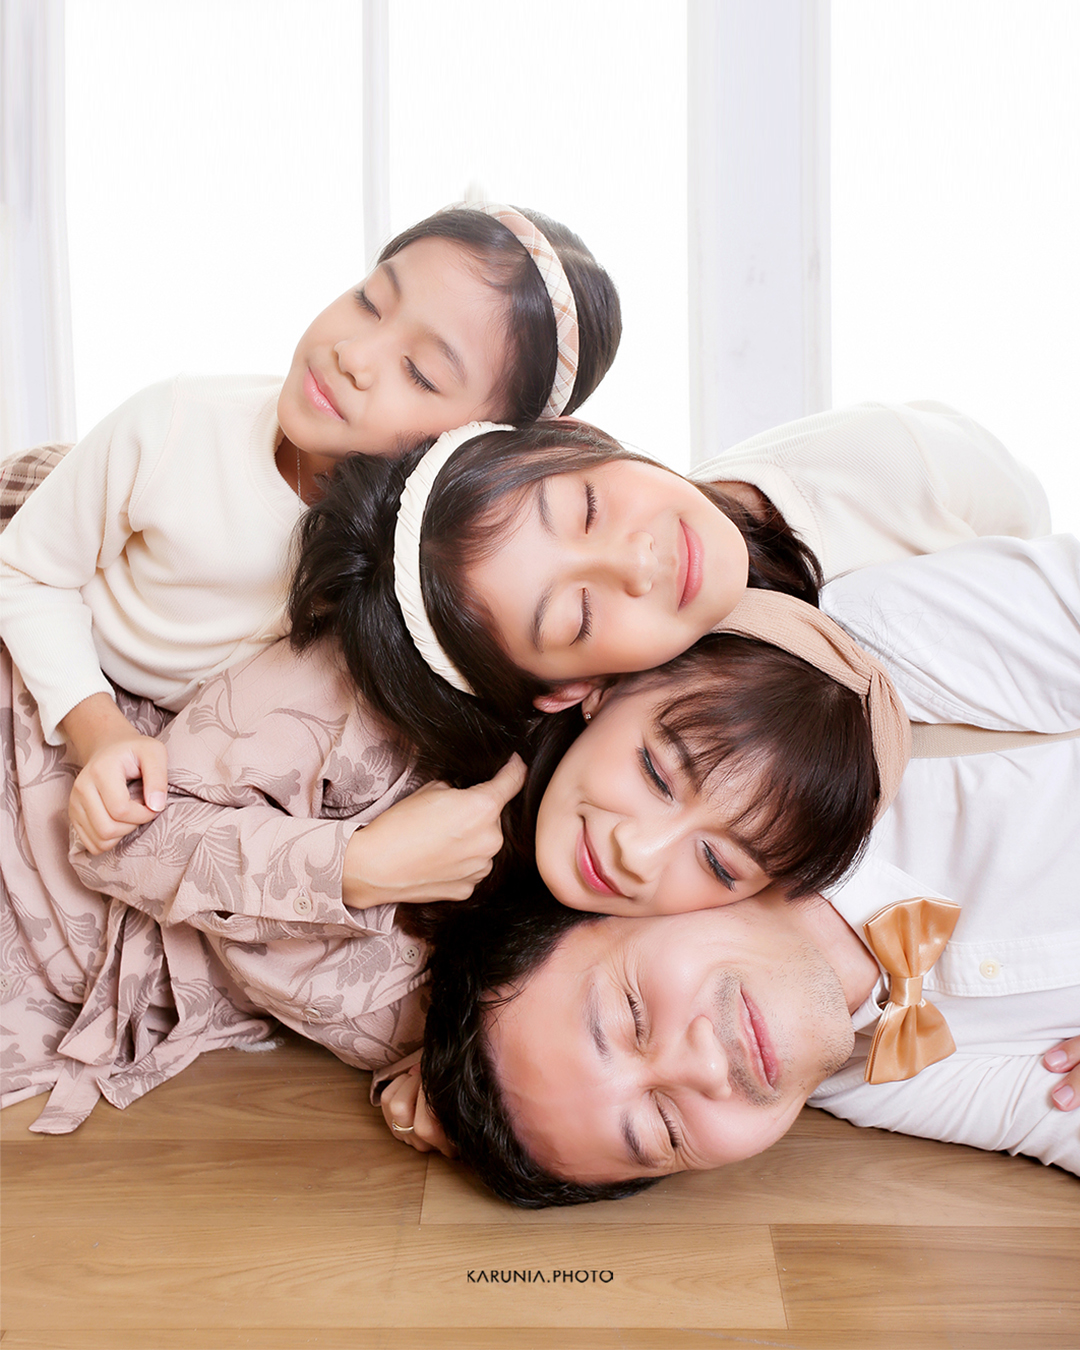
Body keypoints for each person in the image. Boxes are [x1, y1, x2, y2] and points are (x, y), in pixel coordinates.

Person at [415, 534, 1080, 1205]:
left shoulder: (845, 689)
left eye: (633, 1015)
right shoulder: (873, 1081)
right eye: (665, 1127)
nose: (707, 1068)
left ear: (616, 905)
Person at [0, 204, 619, 855]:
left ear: (479, 446)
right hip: (62, 668)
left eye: (421, 373)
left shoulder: (424, 575)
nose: (353, 354)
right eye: (369, 301)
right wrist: (99, 730)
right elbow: (23, 573)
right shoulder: (175, 427)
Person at [291, 402, 1049, 785]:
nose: (636, 561)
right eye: (579, 614)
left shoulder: (889, 462)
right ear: (573, 689)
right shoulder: (665, 801)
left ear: (582, 436)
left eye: (589, 508)